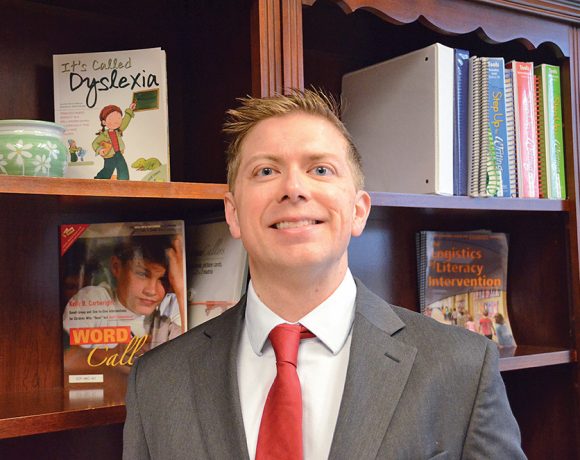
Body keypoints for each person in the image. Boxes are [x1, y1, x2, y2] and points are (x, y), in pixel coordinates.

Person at [123, 89, 526, 459]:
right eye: (265, 171)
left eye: (320, 169)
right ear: (233, 213)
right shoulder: (156, 382)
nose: (293, 188)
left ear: (358, 211)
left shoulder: (462, 367)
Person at [63, 234, 185, 354]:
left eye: (163, 279)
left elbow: (191, 356)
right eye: (142, 274)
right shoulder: (93, 299)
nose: (151, 291)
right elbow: (69, 358)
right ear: (116, 267)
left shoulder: (164, 324)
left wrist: (181, 289)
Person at [92, 102, 136, 180]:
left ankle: (123, 182)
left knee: (123, 169)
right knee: (107, 171)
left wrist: (130, 109)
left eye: (118, 118)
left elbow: (125, 121)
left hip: (118, 153)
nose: (116, 121)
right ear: (104, 122)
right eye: (112, 119)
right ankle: (99, 179)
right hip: (109, 156)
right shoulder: (103, 135)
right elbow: (94, 143)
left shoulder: (118, 131)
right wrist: (100, 149)